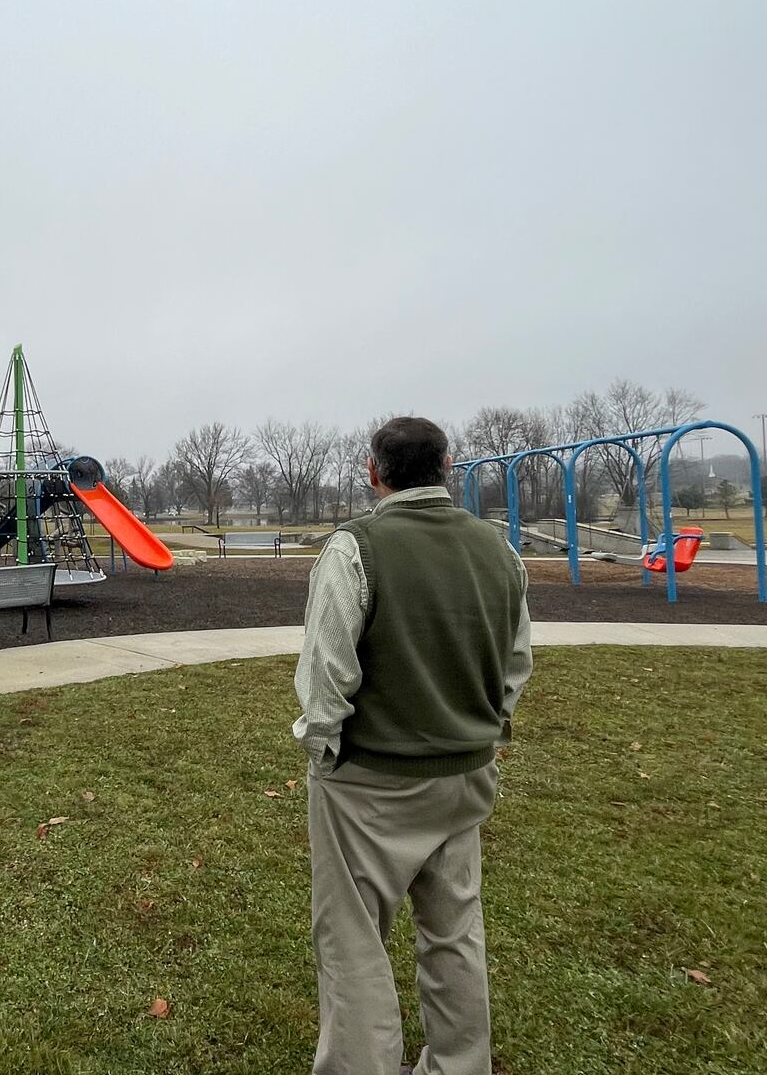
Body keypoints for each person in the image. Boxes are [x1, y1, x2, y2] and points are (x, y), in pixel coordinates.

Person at [293, 416, 532, 1075]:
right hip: (466, 776)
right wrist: (480, 732)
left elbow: (326, 678)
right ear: (446, 466)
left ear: (375, 472)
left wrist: (326, 754)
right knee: (455, 933)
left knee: (354, 943)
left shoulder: (355, 548)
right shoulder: (498, 551)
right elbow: (516, 666)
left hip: (370, 782)